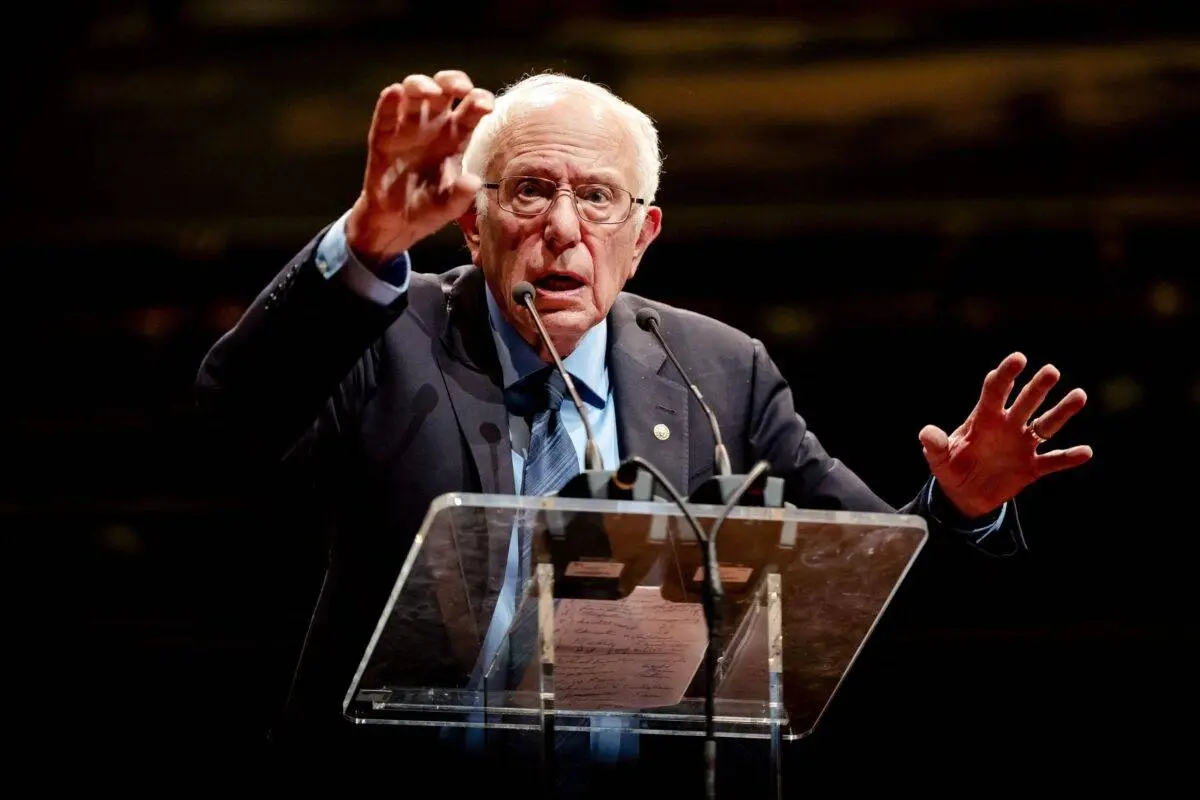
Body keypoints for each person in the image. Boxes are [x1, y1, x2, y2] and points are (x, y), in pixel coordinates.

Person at [196, 69, 1092, 781]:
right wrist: (366, 242)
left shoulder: (718, 372)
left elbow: (858, 585)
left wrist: (957, 506)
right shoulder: (388, 334)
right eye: (531, 191)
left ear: (643, 234)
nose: (562, 227)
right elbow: (234, 416)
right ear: (473, 224)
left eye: (597, 199)